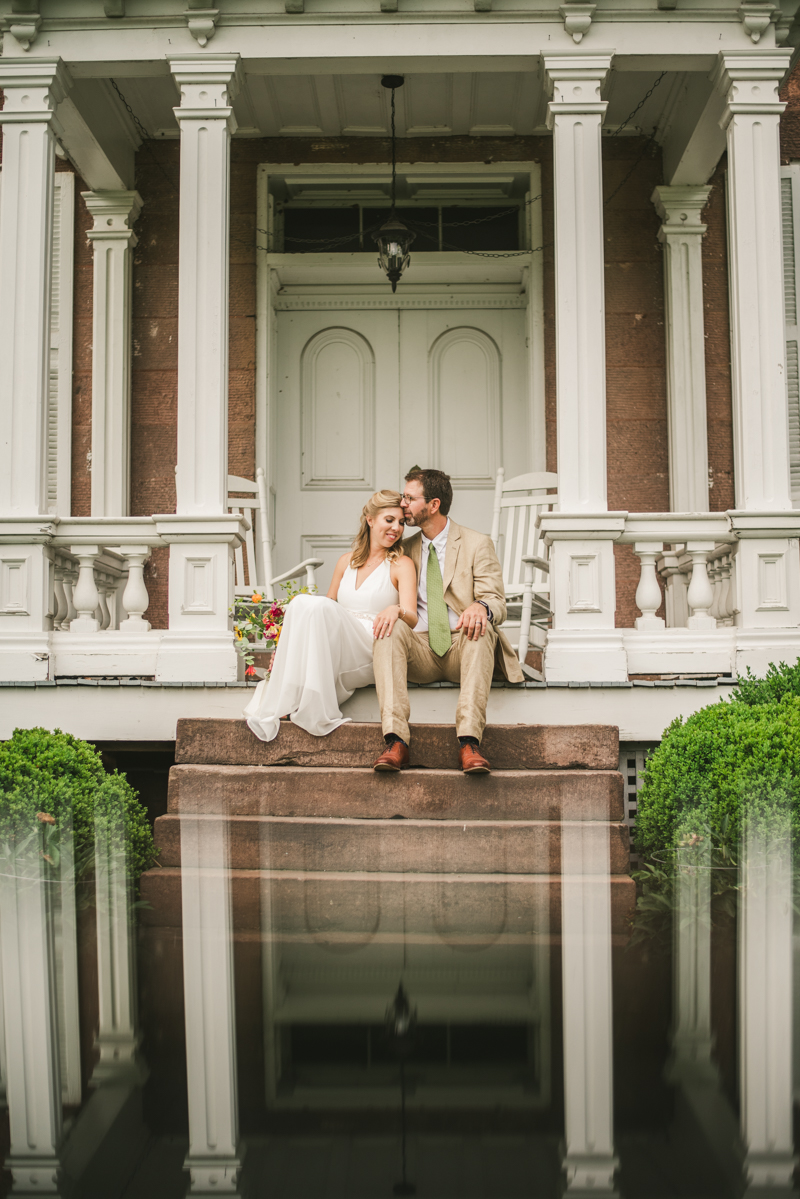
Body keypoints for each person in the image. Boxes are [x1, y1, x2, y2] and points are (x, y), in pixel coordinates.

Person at [372, 467, 524, 775]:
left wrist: (481, 606)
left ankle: (469, 744)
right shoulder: (405, 549)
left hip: (463, 646)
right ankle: (395, 741)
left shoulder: (477, 543)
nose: (402, 504)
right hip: (420, 650)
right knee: (391, 629)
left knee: (482, 629)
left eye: (410, 498)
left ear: (433, 505)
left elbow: (498, 601)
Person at [244, 490, 418, 741]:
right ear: (370, 519)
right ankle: (293, 698)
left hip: (373, 644)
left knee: (316, 605)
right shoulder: (345, 562)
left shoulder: (401, 564)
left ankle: (303, 703)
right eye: (389, 520)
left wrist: (396, 609)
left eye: (401, 523)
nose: (397, 528)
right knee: (303, 603)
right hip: (340, 644)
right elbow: (325, 609)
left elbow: (411, 617)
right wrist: (287, 640)